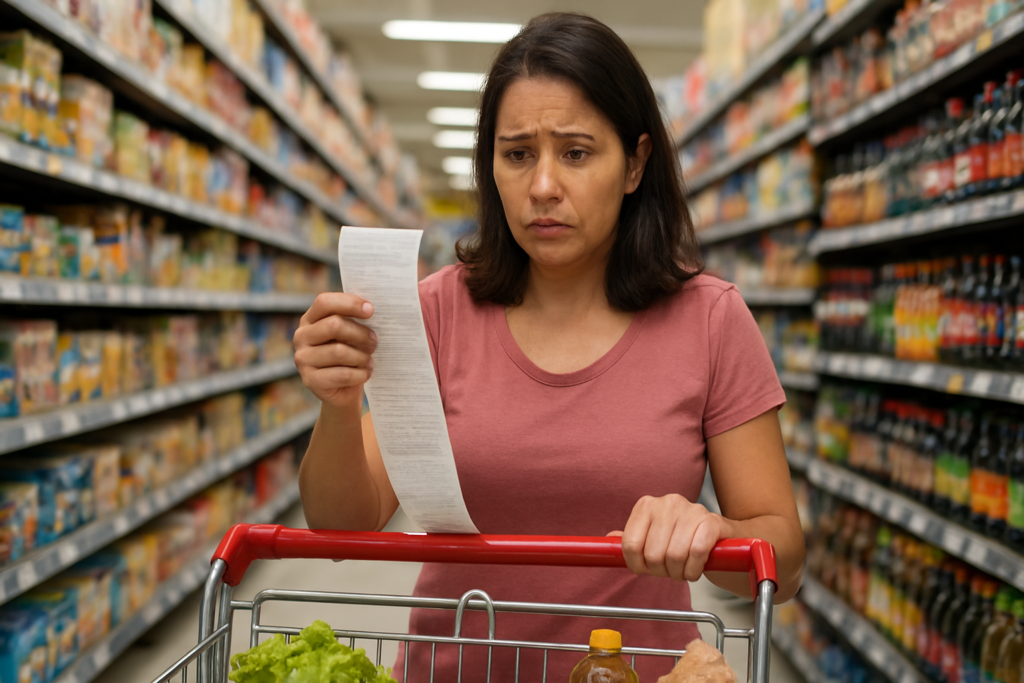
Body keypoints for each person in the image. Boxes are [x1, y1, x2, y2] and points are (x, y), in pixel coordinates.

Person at [294, 11, 804, 681]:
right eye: (517, 154)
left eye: (576, 152)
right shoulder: (438, 311)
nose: (542, 186)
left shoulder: (709, 319)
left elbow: (784, 561)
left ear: (635, 163)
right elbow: (345, 525)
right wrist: (336, 402)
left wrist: (714, 533)